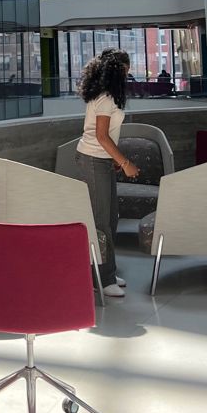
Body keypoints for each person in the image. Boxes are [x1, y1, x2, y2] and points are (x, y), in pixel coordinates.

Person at [76, 48, 140, 298]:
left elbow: (107, 136)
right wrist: (125, 162)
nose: (129, 72)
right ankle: (101, 279)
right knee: (101, 222)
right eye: (126, 68)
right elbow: (101, 136)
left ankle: (106, 272)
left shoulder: (108, 96)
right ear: (116, 70)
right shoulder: (105, 98)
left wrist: (114, 159)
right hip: (92, 160)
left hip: (101, 160)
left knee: (110, 219)